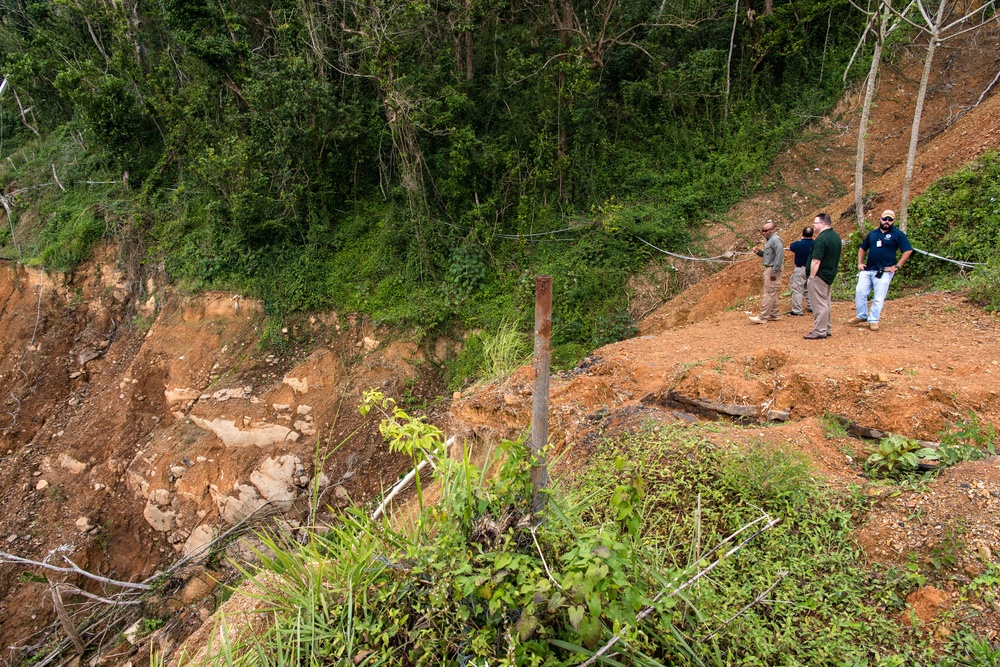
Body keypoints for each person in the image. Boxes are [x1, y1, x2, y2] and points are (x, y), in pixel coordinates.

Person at [849, 209, 913, 331]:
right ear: (880, 219)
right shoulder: (873, 234)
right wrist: (860, 263)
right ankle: (861, 315)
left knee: (878, 297)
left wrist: (897, 266)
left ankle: (873, 320)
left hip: (884, 271)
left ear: (894, 221)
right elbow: (863, 248)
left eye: (890, 220)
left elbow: (908, 250)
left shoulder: (898, 234)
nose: (887, 222)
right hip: (868, 269)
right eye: (885, 219)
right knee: (860, 292)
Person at [803, 213, 841, 340]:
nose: (813, 225)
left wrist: (812, 277)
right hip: (829, 274)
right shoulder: (835, 236)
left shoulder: (821, 239)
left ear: (823, 224)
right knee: (826, 302)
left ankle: (820, 330)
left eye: (816, 222)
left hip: (819, 275)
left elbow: (816, 260)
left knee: (819, 303)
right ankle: (826, 328)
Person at [748, 221, 784, 324]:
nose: (764, 233)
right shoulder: (770, 240)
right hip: (770, 267)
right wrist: (759, 253)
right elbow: (769, 256)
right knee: (772, 292)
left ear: (772, 230)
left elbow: (779, 256)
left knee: (769, 293)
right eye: (762, 231)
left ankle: (762, 317)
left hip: (773, 268)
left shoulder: (775, 240)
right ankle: (774, 314)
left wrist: (774, 270)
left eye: (766, 231)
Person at [787, 226, 814, 316]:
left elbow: (792, 247)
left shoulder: (799, 244)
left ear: (803, 234)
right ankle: (812, 306)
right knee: (808, 288)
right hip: (812, 268)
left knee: (797, 289)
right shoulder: (815, 243)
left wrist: (800, 239)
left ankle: (797, 309)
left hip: (800, 268)